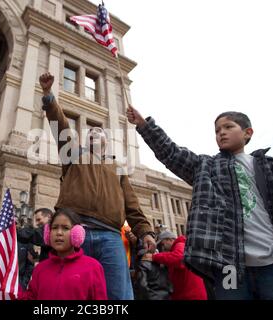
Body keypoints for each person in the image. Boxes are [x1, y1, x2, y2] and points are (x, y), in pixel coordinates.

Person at [127, 106, 273, 300]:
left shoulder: (272, 167)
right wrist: (144, 125)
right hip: (228, 267)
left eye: (228, 126)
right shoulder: (206, 167)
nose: (221, 132)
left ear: (247, 132)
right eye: (217, 130)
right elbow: (172, 153)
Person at [39, 72, 156, 300]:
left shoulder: (117, 168)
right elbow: (60, 126)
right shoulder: (73, 154)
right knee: (68, 293)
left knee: (118, 295)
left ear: (106, 141)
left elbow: (132, 206)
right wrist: (48, 96)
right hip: (76, 232)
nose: (94, 133)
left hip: (111, 237)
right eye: (90, 131)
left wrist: (146, 232)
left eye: (99, 131)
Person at [19, 208, 107, 300]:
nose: (59, 233)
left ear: (77, 233)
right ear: (48, 233)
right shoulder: (40, 269)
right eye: (55, 228)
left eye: (65, 228)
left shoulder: (93, 267)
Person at [142, 231, 207, 300]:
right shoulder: (176, 250)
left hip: (191, 296)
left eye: (162, 244)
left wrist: (154, 257)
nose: (162, 248)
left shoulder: (180, 244)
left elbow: (179, 258)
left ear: (170, 240)